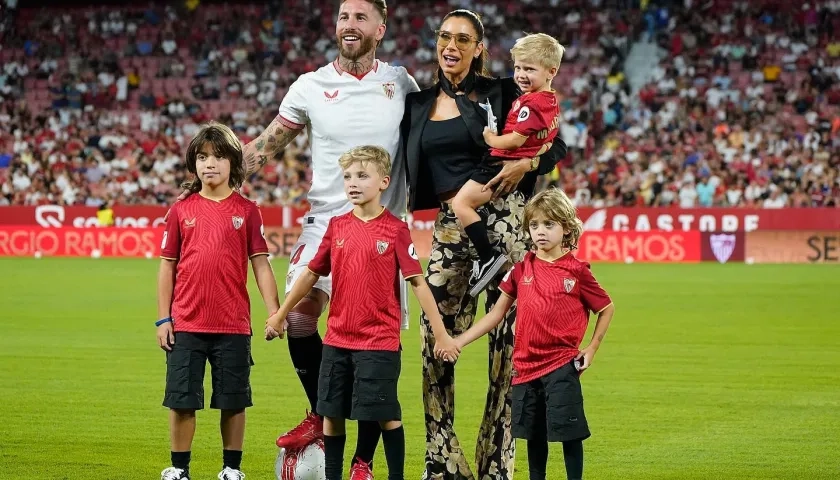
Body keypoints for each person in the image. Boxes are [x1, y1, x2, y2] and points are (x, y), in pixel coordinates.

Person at [175, 0, 420, 467]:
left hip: (383, 228)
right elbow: (266, 145)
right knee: (299, 317)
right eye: (344, 17)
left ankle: (362, 460)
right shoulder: (310, 86)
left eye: (360, 18)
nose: (349, 25)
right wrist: (206, 182)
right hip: (326, 220)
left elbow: (429, 135)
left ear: (380, 28)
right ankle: (320, 408)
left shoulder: (400, 83)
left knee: (370, 344)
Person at [399, 9, 568, 480]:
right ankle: (444, 463)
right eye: (445, 37)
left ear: (479, 48)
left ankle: (497, 467)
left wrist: (526, 165)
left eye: (463, 38)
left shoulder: (505, 91)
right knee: (435, 342)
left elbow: (555, 144)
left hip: (510, 225)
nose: (451, 45)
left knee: (511, 351)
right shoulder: (417, 105)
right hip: (452, 229)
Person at [265, 145, 459, 480]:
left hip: (379, 341)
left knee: (386, 414)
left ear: (384, 181)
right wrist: (282, 313)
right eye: (348, 176)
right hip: (338, 340)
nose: (353, 183)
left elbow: (418, 283)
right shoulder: (338, 226)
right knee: (331, 415)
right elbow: (311, 273)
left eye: (362, 175)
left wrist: (441, 332)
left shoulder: (395, 229)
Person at [442, 188, 616, 480]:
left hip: (562, 364)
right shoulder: (521, 269)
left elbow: (606, 308)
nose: (540, 232)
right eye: (534, 225)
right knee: (534, 436)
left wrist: (592, 348)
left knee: (568, 433)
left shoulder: (577, 271)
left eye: (549, 224)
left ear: (567, 227)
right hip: (525, 368)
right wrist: (459, 340)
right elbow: (495, 315)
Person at [156, 122, 280, 480]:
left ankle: (231, 469)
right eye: (202, 156)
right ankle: (179, 470)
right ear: (193, 163)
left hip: (233, 325)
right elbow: (167, 266)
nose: (210, 163)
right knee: (181, 401)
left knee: (233, 401)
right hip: (185, 325)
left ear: (234, 163)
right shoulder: (181, 211)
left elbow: (260, 264)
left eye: (219, 156)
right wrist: (163, 319)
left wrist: (274, 311)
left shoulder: (248, 210)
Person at [451, 33, 564, 297]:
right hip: (505, 167)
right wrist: (539, 149)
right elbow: (548, 139)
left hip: (499, 165)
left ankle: (487, 258)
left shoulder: (527, 101)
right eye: (518, 67)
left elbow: (516, 140)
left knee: (461, 203)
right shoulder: (549, 101)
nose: (521, 74)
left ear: (551, 71)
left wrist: (492, 138)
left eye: (529, 69)